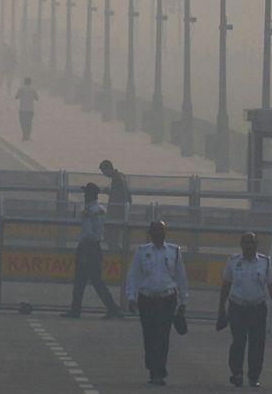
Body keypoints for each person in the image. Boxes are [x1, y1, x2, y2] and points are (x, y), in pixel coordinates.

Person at [126, 220, 188, 387]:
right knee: (149, 336)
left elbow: (181, 277)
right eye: (155, 230)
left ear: (165, 232)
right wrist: (131, 297)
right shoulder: (142, 251)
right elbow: (133, 275)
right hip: (146, 298)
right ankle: (152, 367)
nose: (158, 233)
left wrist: (183, 300)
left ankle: (158, 371)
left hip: (167, 299)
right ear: (150, 233)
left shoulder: (174, 251)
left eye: (161, 230)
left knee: (162, 336)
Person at [218, 232, 272, 388]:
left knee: (257, 344)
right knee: (238, 342)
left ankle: (253, 377)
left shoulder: (264, 262)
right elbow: (226, 285)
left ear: (256, 244)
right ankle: (236, 373)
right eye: (245, 242)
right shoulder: (233, 261)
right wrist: (221, 307)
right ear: (241, 244)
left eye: (251, 242)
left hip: (257, 308)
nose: (248, 245)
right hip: (237, 307)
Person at [60, 182, 123, 319]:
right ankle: (112, 308)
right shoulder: (99, 209)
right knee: (95, 280)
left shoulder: (89, 211)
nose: (83, 196)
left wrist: (83, 246)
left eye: (85, 193)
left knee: (80, 280)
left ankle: (76, 310)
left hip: (87, 247)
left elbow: (88, 232)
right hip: (95, 247)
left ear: (89, 195)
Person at [99, 160, 132, 250]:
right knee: (114, 234)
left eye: (104, 172)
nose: (104, 174)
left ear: (108, 169)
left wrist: (109, 192)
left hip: (117, 211)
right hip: (120, 210)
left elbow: (119, 194)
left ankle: (114, 251)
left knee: (111, 234)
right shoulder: (120, 177)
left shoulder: (117, 178)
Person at [15, 77, 39, 141]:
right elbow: (37, 98)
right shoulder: (33, 89)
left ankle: (24, 135)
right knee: (29, 123)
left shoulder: (20, 89)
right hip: (30, 109)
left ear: (24, 82)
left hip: (22, 109)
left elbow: (16, 97)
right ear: (30, 82)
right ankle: (28, 136)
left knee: (22, 122)